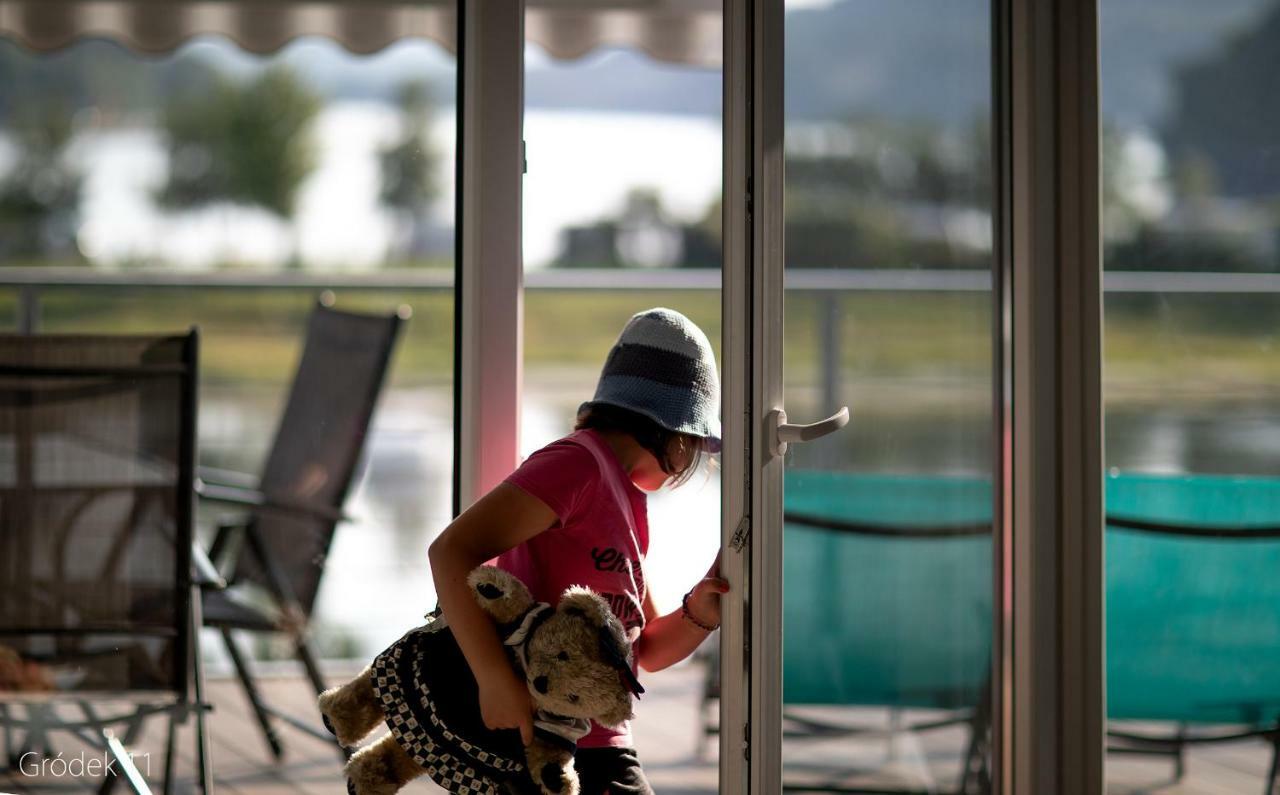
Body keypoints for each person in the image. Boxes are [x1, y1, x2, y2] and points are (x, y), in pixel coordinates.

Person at [429, 307, 728, 795]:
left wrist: (700, 612)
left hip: (601, 743)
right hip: (547, 742)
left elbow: (645, 648)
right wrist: (494, 681)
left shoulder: (626, 499)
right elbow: (450, 551)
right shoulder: (576, 464)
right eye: (697, 444)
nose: (693, 461)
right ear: (670, 429)